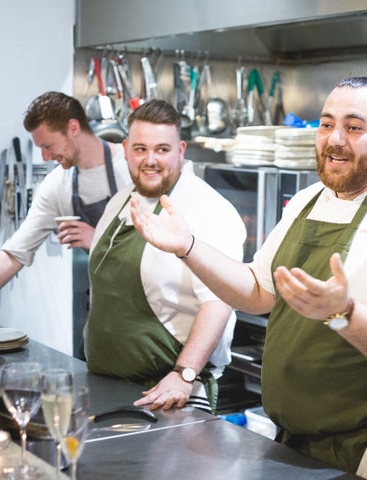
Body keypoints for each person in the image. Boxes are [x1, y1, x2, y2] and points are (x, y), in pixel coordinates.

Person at [130, 77, 367, 477]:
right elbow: (256, 291)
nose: (335, 139)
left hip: (365, 447)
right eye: (326, 124)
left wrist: (343, 314)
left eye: (354, 128)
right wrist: (188, 247)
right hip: (295, 440)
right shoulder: (306, 201)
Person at [85, 99, 246, 414]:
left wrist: (183, 373)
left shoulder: (207, 209)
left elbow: (219, 302)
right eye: (141, 149)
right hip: (108, 385)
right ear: (127, 149)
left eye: (162, 149)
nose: (150, 160)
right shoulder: (119, 202)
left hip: (168, 393)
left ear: (181, 150)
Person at [0, 92, 130, 326]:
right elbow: (15, 252)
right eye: (40, 148)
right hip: (103, 315)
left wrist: (100, 241)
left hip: (149, 313)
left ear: (73, 128)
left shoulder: (133, 168)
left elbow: (163, 248)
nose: (45, 156)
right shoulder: (57, 184)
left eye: (48, 145)